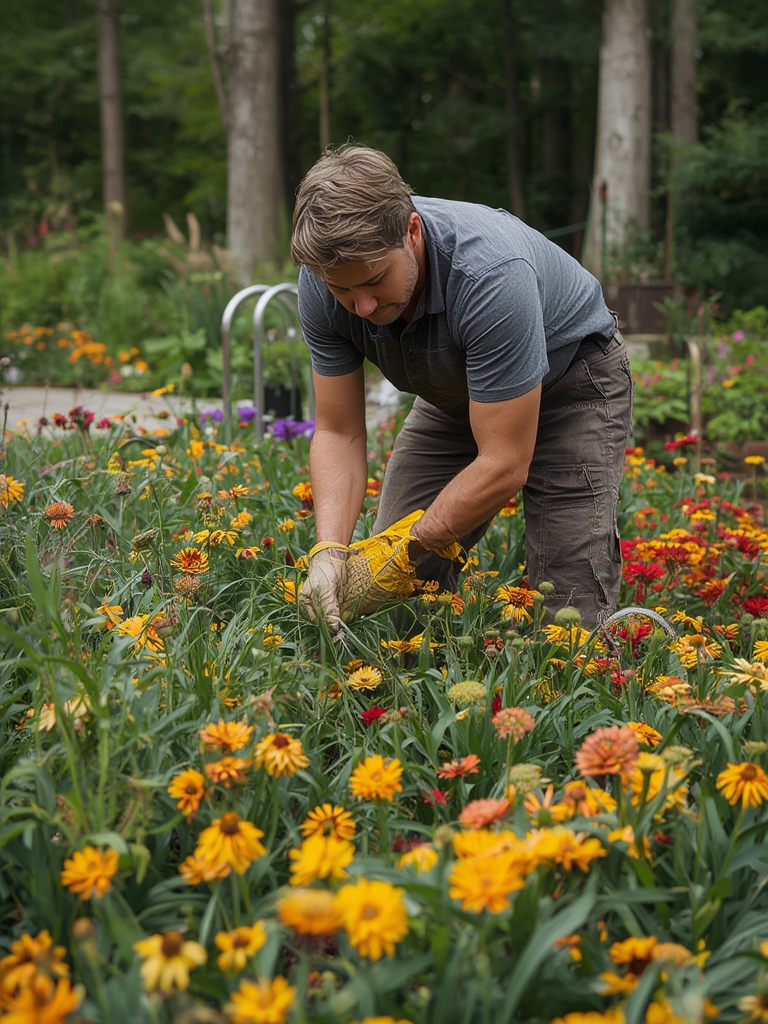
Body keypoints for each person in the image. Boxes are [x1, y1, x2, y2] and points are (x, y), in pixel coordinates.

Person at [290, 144, 633, 630]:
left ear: (411, 232)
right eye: (342, 291)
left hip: (571, 385)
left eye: (374, 281)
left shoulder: (489, 274)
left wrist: (415, 541)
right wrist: (328, 552)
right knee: (394, 596)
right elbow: (339, 432)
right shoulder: (322, 281)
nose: (361, 306)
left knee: (567, 605)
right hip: (457, 396)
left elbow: (503, 462)